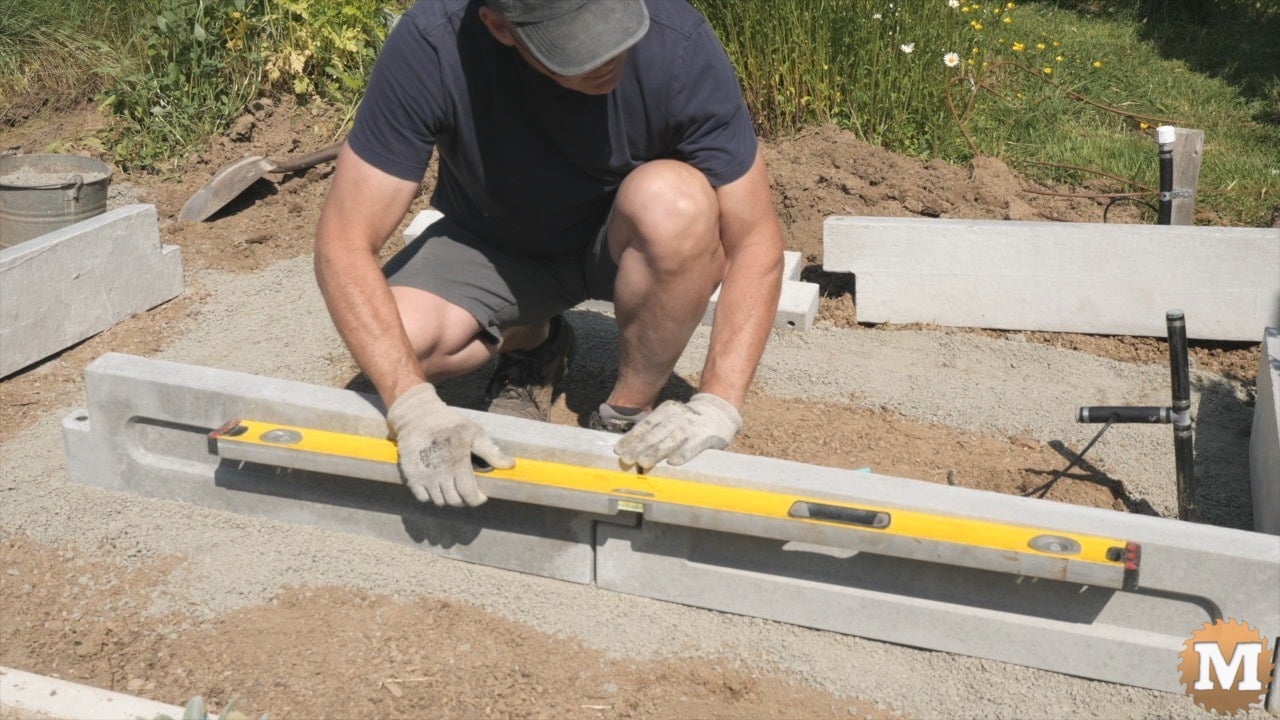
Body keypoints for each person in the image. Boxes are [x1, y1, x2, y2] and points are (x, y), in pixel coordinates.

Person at [314, 0, 784, 508]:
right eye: (575, 48)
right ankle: (533, 341)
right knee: (403, 345)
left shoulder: (678, 40)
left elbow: (755, 238)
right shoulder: (435, 43)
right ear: (499, 27)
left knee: (676, 201)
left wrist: (717, 404)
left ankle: (627, 410)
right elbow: (343, 239)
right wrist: (411, 407)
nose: (607, 57)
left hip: (630, 243)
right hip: (498, 244)